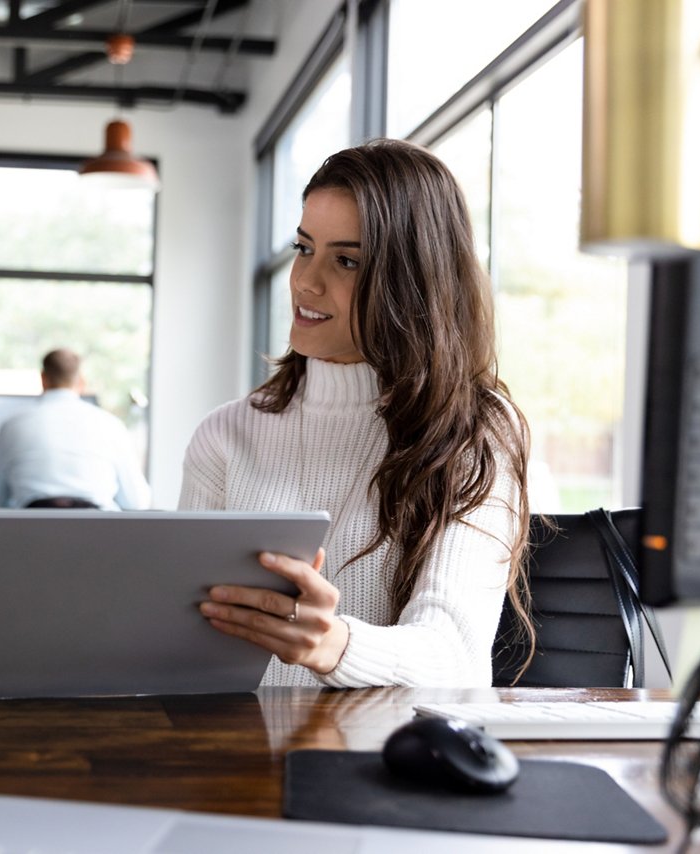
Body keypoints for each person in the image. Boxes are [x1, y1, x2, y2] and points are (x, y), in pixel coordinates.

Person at [180, 138, 533, 689]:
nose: (305, 281)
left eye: (346, 260)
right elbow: (186, 642)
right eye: (303, 248)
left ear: (413, 283)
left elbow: (455, 657)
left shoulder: (474, 433)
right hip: (237, 759)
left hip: (382, 764)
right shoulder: (225, 434)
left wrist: (333, 644)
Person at [0, 348, 150, 510]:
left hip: (30, 530)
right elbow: (136, 502)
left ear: (43, 379)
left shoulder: (12, 425)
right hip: (97, 529)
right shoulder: (110, 424)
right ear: (81, 382)